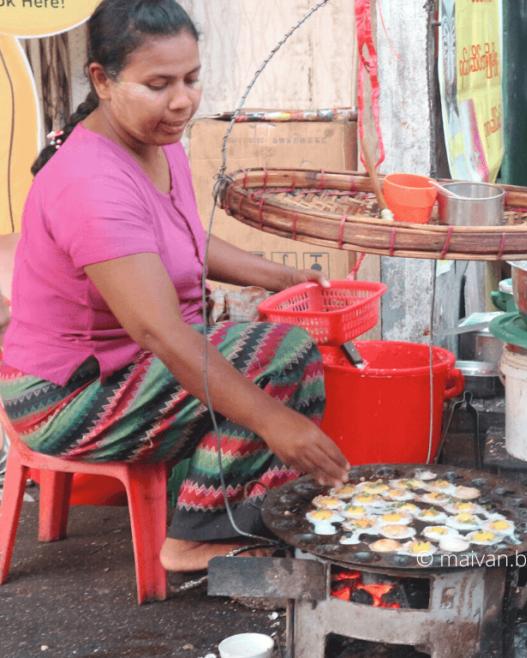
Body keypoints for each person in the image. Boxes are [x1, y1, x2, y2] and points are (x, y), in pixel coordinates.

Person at [1, 0, 349, 573]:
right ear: (102, 80)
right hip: (64, 396)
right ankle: (197, 538)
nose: (182, 99)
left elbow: (186, 241)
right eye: (158, 84)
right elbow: (159, 330)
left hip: (126, 364)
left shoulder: (157, 144)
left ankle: (241, 515)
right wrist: (274, 422)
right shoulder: (92, 182)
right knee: (279, 358)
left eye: (191, 78)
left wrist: (284, 275)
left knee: (282, 352)